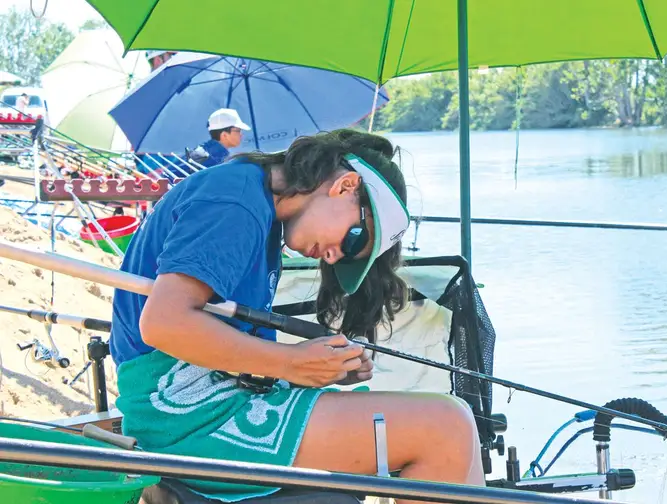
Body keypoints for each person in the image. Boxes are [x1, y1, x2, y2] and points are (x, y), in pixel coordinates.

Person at [109, 129, 484, 504]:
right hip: (184, 417)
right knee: (445, 427)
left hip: (210, 403)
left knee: (460, 424)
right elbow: (164, 323)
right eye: (353, 240)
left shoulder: (255, 203)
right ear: (345, 185)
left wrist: (314, 369)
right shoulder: (235, 202)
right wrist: (291, 364)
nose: (335, 256)